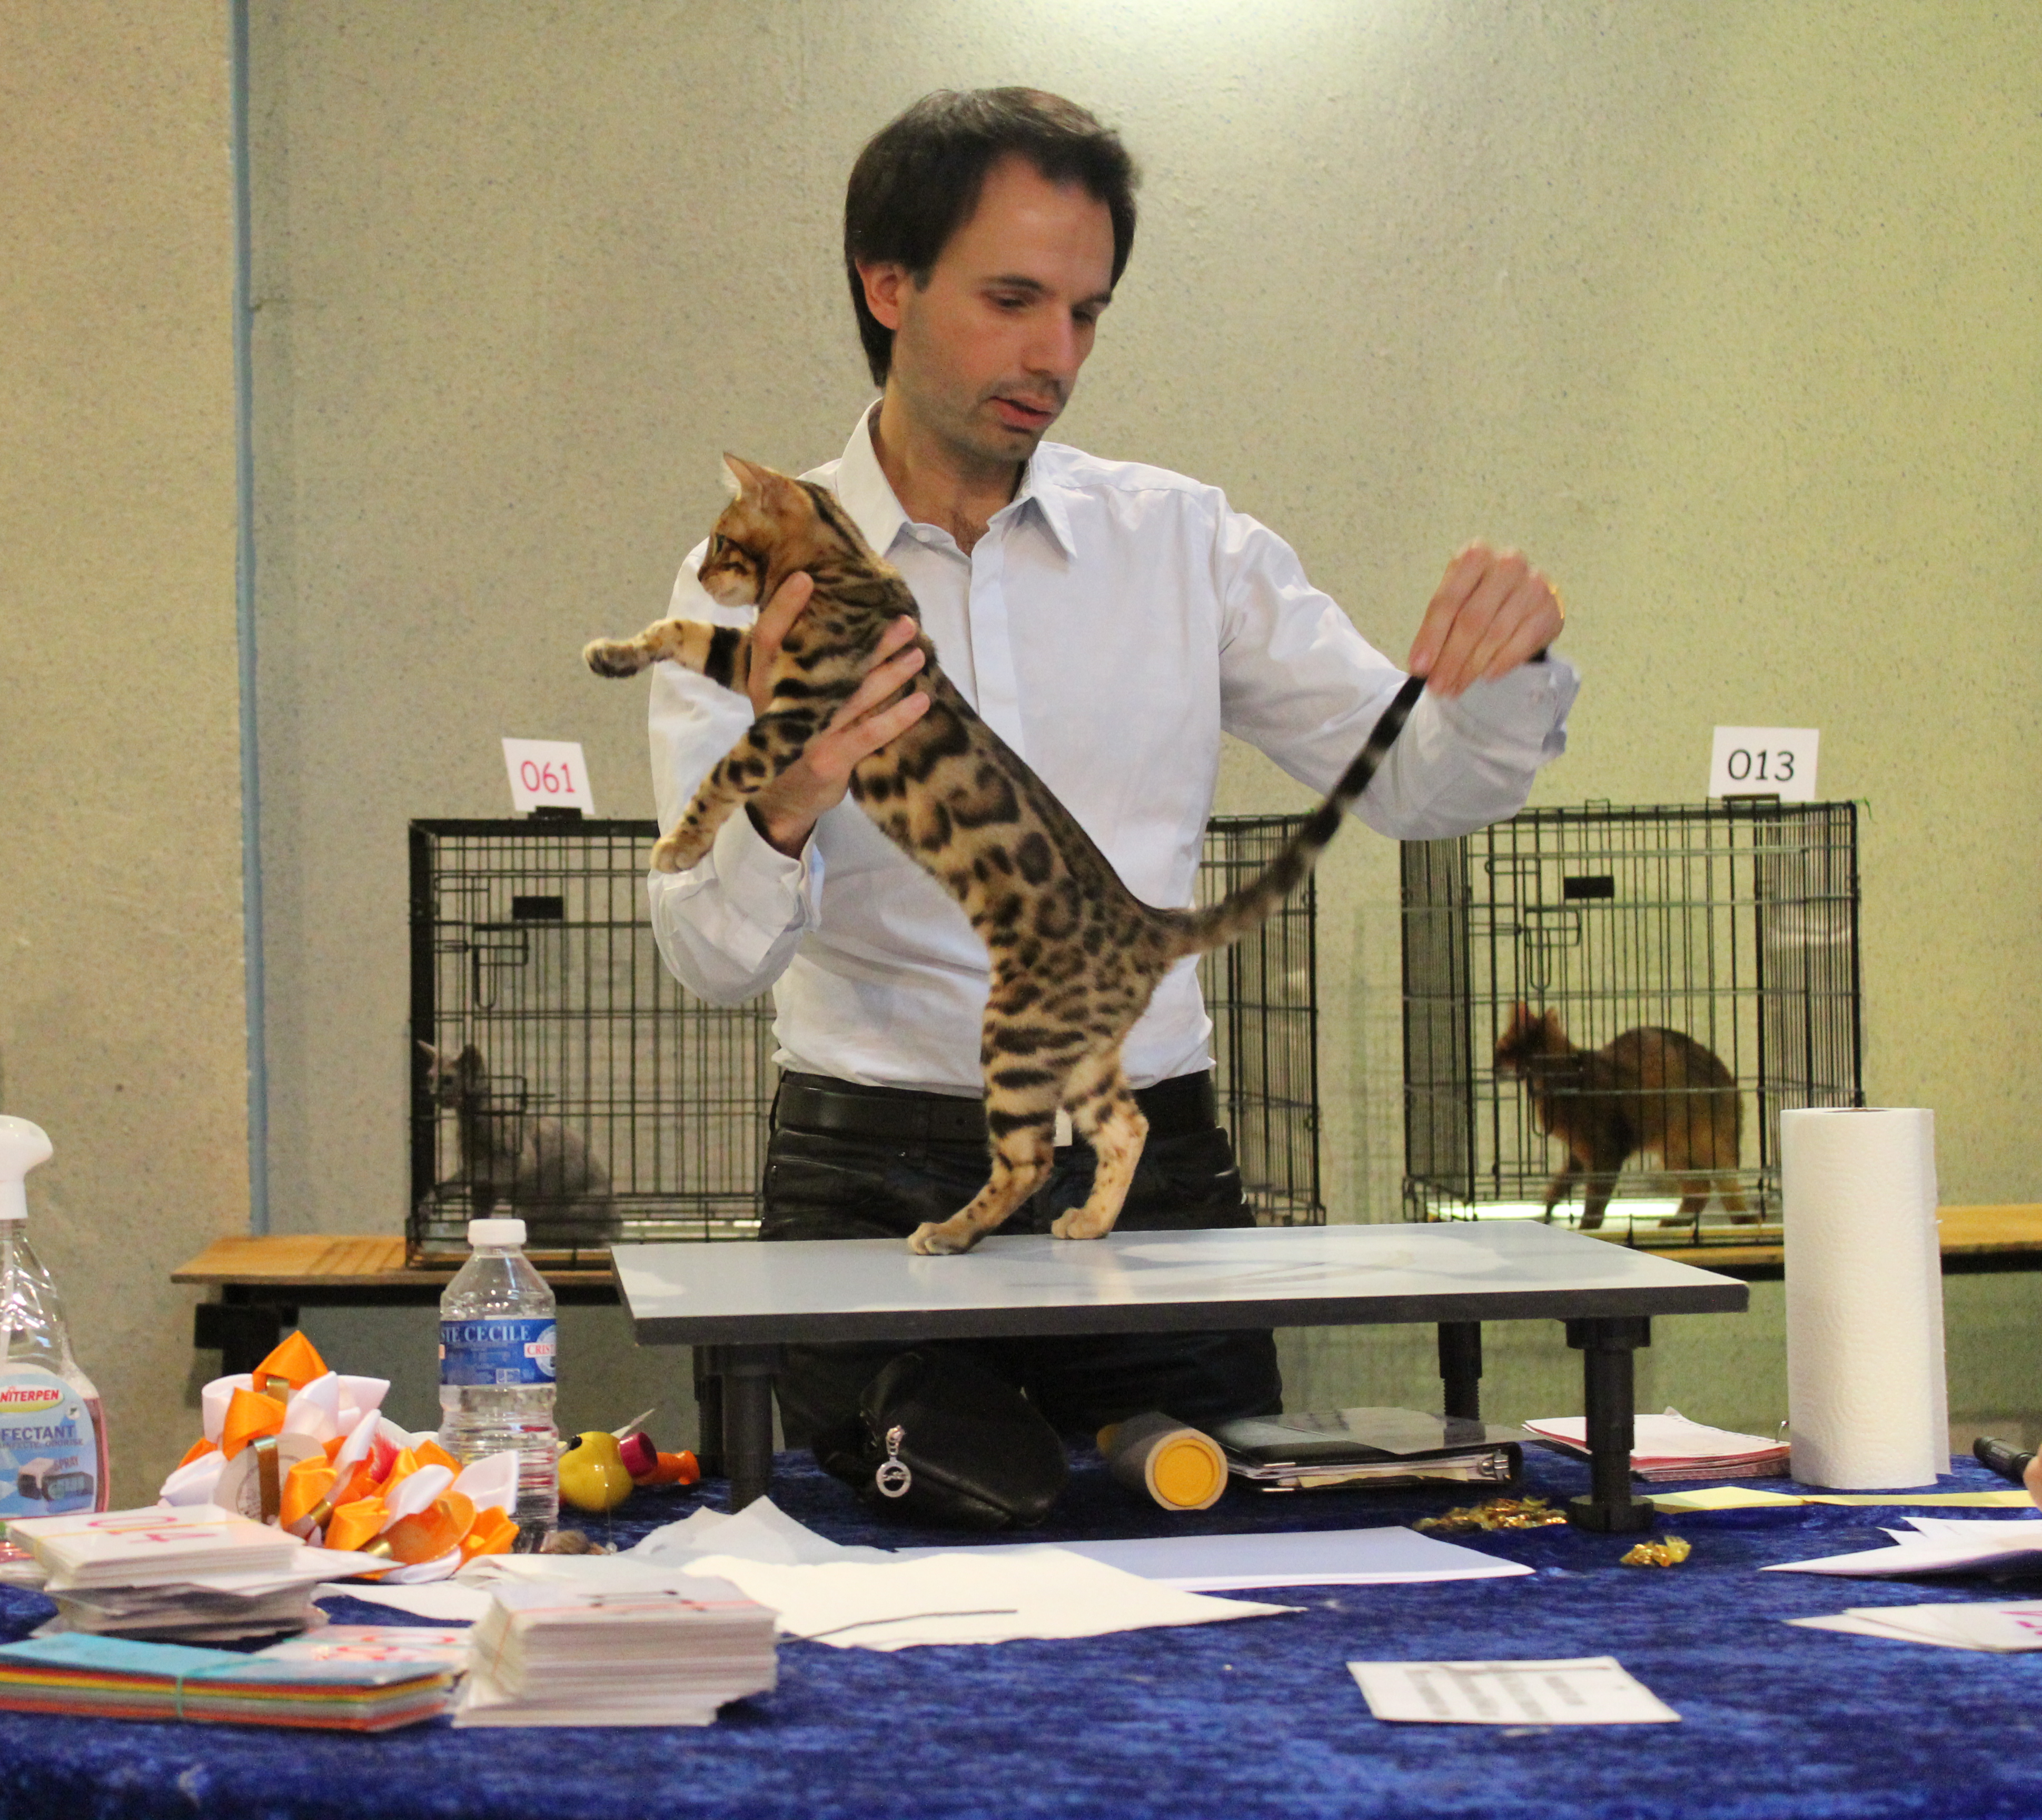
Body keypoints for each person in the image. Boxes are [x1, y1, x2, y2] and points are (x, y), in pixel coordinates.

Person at [640, 88, 1578, 1498]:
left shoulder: (1186, 546)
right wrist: (802, 784)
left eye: (1086, 312)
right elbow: (706, 955)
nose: (1054, 356)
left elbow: (1416, 788)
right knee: (869, 1616)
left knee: (1224, 1584)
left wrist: (1506, 673)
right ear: (886, 286)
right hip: (867, 1183)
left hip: (1150, 1180)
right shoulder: (754, 581)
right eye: (1014, 299)